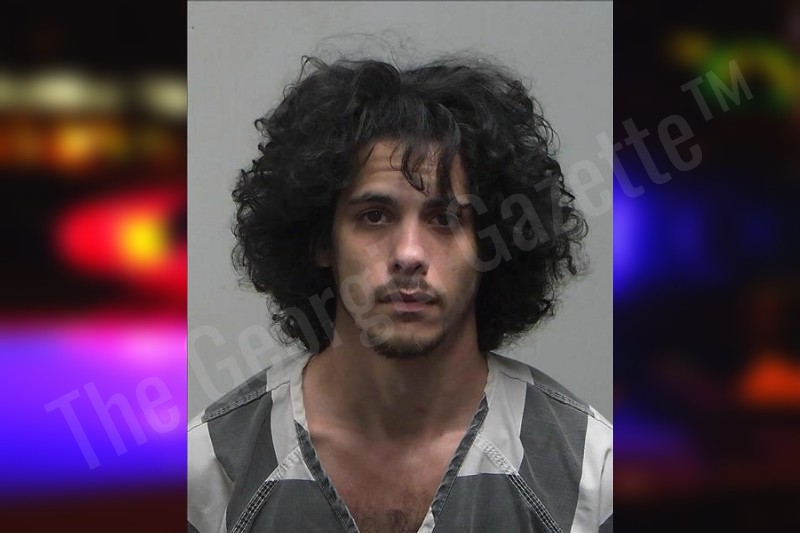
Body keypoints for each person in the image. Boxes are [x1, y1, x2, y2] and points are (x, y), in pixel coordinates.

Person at [188, 54, 612, 533]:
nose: (409, 253)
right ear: (321, 240)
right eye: (374, 216)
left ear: (491, 245)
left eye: (444, 219)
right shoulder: (209, 472)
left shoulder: (590, 476)